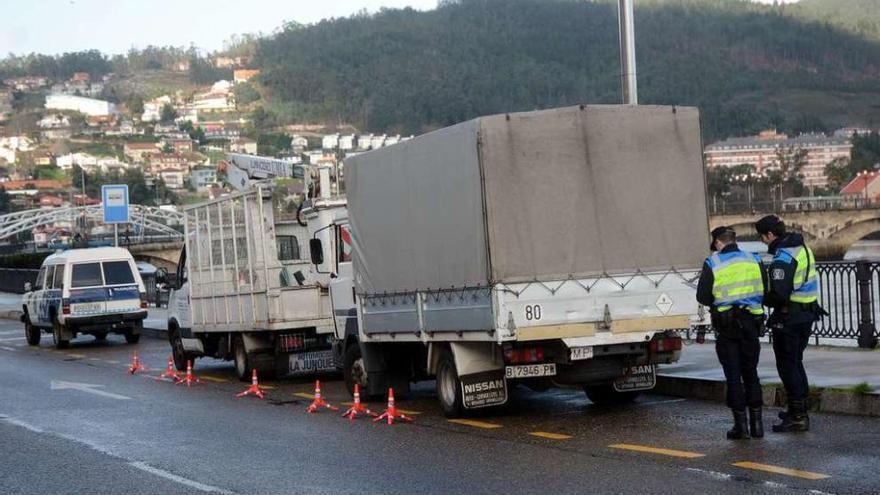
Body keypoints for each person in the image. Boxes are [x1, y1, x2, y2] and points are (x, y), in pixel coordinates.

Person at [755, 214, 824, 433]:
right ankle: (799, 408)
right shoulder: (802, 248)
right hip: (806, 313)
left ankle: (798, 417)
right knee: (796, 362)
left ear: (770, 235)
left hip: (790, 318)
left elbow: (779, 295)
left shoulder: (783, 258)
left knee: (787, 366)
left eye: (762, 237)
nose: (763, 242)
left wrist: (760, 296)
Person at [696, 226, 766, 440]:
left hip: (727, 328)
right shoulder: (754, 259)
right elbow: (765, 288)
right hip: (751, 324)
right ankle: (758, 425)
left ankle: (741, 427)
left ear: (718, 242)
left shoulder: (713, 263)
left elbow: (703, 297)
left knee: (733, 376)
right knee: (751, 373)